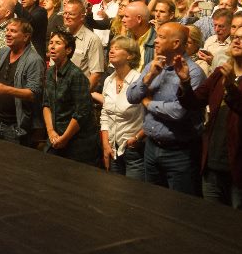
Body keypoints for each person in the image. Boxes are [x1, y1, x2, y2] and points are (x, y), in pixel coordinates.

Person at [177, 23, 242, 212]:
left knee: (239, 228)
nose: (237, 41)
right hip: (214, 162)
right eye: (235, 37)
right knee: (212, 222)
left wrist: (231, 86)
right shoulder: (219, 73)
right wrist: (185, 82)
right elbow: (194, 102)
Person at [126, 22, 204, 196]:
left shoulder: (193, 73)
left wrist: (148, 104)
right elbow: (131, 96)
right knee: (152, 200)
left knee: (179, 207)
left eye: (161, 37)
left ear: (176, 43)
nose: (155, 41)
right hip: (151, 147)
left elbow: (178, 111)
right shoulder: (153, 66)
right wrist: (150, 76)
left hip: (179, 153)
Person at [0, 18, 45, 146]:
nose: (7, 33)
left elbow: (33, 93)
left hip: (17, 126)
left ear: (26, 37)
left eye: (13, 31)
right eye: (7, 30)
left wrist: (6, 90)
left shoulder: (34, 61)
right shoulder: (3, 52)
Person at [43, 30, 100, 164]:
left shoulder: (76, 75)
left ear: (68, 50)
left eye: (57, 43)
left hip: (77, 141)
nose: (52, 46)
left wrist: (65, 138)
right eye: (51, 43)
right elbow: (46, 104)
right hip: (56, 136)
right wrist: (51, 132)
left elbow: (81, 113)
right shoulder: (50, 72)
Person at [101, 36, 146, 179]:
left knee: (132, 195)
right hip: (112, 148)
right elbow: (105, 114)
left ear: (130, 55)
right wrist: (105, 144)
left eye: (117, 48)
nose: (111, 51)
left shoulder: (139, 81)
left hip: (132, 149)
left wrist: (137, 137)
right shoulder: (109, 80)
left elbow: (151, 116)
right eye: (111, 48)